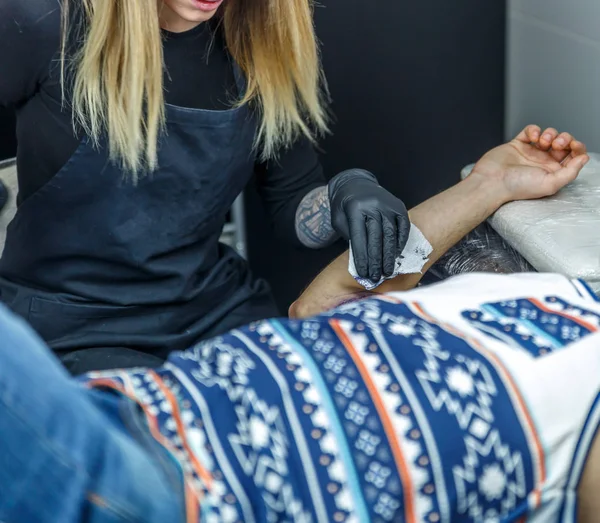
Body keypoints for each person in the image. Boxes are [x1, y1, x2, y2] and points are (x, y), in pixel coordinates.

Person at [1, 126, 598, 523]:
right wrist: (492, 183)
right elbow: (318, 306)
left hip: (186, 494)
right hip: (138, 405)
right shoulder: (523, 293)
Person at [0, 0, 411, 374]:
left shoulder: (259, 42)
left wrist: (345, 193)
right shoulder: (43, 22)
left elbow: (291, 201)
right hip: (74, 322)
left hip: (212, 309)